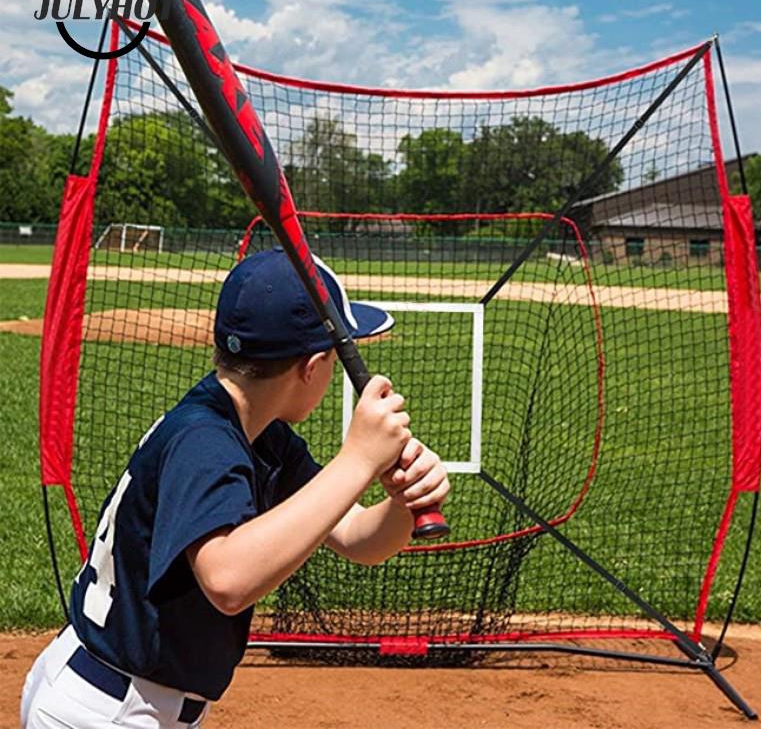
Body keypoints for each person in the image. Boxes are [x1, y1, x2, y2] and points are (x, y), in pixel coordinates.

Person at [21, 248, 450, 728]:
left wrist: (401, 501)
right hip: (107, 710)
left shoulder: (258, 434)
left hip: (124, 697)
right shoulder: (205, 441)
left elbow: (355, 538)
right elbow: (228, 580)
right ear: (311, 366)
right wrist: (357, 461)